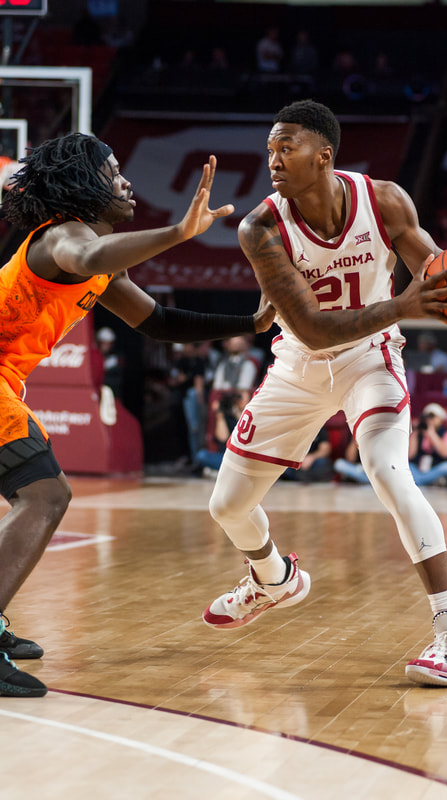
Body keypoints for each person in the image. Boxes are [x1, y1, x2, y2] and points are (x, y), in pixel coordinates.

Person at [202, 99, 447, 688]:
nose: (273, 161)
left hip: (371, 358)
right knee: (227, 506)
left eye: (286, 148)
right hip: (299, 364)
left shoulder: (383, 201)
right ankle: (274, 579)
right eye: (270, 150)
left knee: (387, 471)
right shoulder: (260, 227)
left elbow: (440, 277)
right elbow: (313, 330)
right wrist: (403, 304)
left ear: (324, 155)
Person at [0, 134, 275, 697]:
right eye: (113, 171)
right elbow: (89, 256)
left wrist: (249, 324)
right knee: (46, 496)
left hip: (7, 383)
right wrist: (178, 232)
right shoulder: (62, 238)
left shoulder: (100, 263)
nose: (126, 182)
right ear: (83, 185)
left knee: (40, 495)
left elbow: (158, 323)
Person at [408, 403, 447, 487]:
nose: (429, 420)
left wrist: (431, 433)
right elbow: (410, 455)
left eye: (432, 417)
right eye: (427, 417)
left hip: (437, 468)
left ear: (440, 419)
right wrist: (415, 432)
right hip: (420, 469)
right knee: (409, 466)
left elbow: (445, 453)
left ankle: (419, 481)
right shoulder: (418, 434)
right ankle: (427, 480)